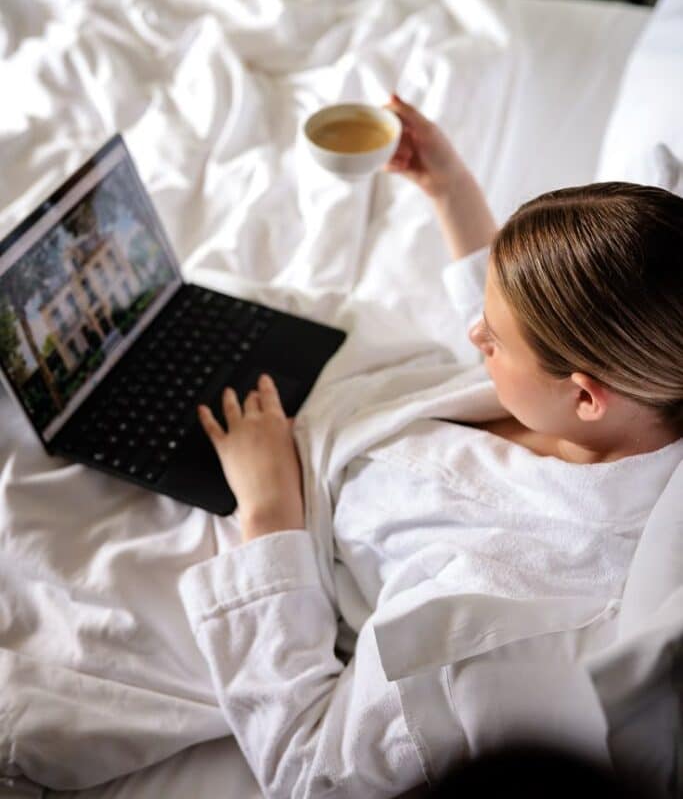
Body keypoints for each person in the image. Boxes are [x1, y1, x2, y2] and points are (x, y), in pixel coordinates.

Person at [182, 93, 683, 799]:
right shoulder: (648, 376)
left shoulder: (491, 615)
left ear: (584, 395)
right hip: (325, 410)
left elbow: (309, 770)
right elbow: (541, 339)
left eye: (492, 339)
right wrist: (448, 186)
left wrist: (268, 515)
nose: (473, 335)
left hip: (266, 529)